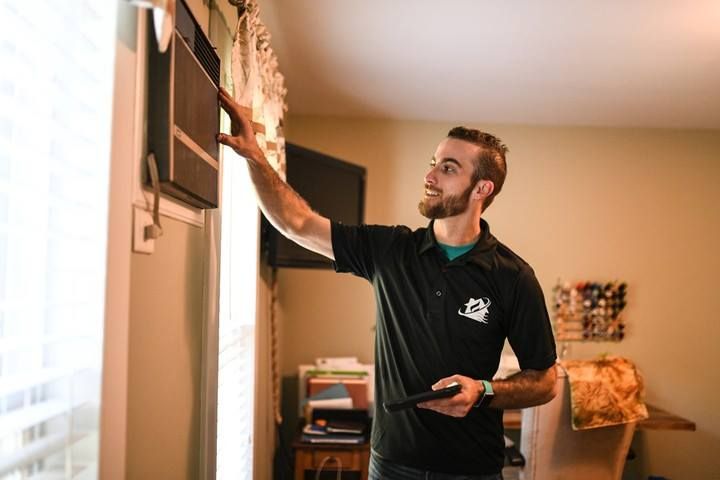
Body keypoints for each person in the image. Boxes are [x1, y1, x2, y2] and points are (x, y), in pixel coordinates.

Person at [217, 87, 557, 480]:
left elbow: (545, 381)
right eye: (433, 163)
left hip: (472, 470)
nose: (429, 176)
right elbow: (297, 224)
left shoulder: (512, 276)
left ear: (482, 189)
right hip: (391, 465)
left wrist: (483, 391)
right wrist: (255, 155)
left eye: (448, 168)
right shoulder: (390, 249)